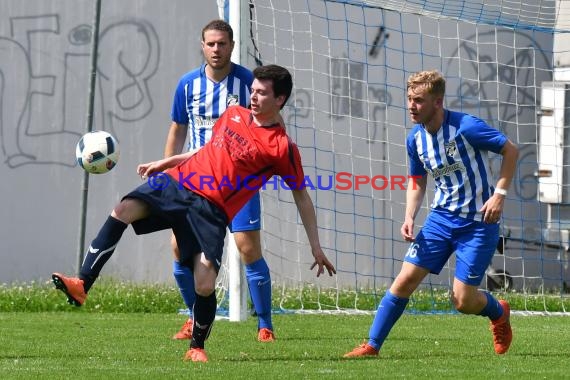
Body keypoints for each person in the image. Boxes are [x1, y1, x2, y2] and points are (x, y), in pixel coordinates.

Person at [52, 64, 336, 363]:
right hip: (179, 182)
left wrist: (315, 246)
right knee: (123, 209)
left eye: (262, 93)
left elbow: (301, 196)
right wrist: (168, 161)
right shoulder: (233, 114)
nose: (253, 97)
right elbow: (206, 149)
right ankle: (82, 283)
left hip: (211, 210)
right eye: (253, 90)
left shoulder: (281, 148)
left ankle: (197, 347)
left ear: (279, 100)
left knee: (204, 282)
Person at [343, 70, 518, 358]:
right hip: (440, 220)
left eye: (419, 101)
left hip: (478, 223)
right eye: (410, 99)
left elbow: (510, 151)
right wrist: (409, 216)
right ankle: (372, 345)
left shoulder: (467, 127)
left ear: (438, 102)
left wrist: (499, 195)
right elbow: (417, 179)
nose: (411, 106)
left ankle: (498, 312)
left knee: (462, 301)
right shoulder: (415, 140)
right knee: (405, 279)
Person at [164, 19, 275, 342]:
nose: (216, 49)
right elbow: (178, 129)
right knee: (179, 247)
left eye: (222, 43)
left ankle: (264, 323)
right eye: (211, 44)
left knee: (247, 247)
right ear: (203, 46)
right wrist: (167, 170)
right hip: (196, 180)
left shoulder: (248, 84)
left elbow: (267, 124)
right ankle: (192, 316)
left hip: (238, 183)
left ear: (231, 46)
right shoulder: (187, 85)